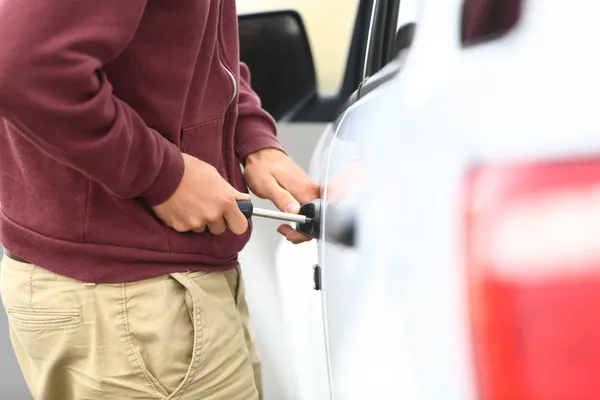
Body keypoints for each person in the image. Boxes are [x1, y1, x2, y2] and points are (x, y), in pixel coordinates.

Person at [0, 1, 319, 399]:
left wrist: (253, 138)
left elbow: (197, 46)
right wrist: (163, 176)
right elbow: (27, 65)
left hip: (147, 298)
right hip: (137, 303)